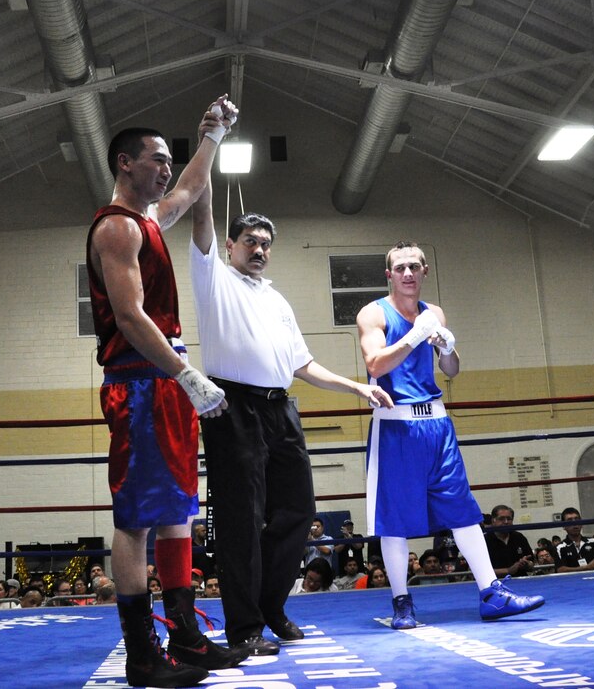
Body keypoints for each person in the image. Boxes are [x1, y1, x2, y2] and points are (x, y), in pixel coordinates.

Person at [190, 192, 395, 656]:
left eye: (265, 243)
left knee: (299, 512)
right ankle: (243, 627)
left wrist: (357, 387)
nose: (258, 249)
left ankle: (270, 607)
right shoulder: (214, 279)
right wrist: (209, 148)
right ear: (230, 245)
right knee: (241, 521)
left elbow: (303, 364)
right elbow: (200, 222)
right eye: (249, 241)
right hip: (233, 408)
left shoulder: (278, 299)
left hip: (281, 409)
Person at [87, 97, 246, 686]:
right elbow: (129, 317)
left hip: (167, 377)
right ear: (125, 163)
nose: (164, 169)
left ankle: (186, 637)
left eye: (167, 160)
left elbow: (188, 188)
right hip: (141, 382)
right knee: (135, 520)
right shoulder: (117, 227)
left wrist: (213, 135)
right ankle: (141, 655)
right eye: (155, 159)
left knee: (178, 510)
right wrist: (186, 375)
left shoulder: (150, 221)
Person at [356, 241, 544, 630]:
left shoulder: (434, 312)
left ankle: (491, 593)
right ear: (389, 275)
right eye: (400, 268)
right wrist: (411, 338)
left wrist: (448, 348)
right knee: (395, 520)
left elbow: (452, 370)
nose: (408, 273)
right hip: (396, 425)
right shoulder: (373, 313)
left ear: (425, 271)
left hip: (438, 424)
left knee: (462, 510)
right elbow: (374, 363)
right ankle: (402, 603)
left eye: (414, 266)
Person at [485, 504, 536, 579]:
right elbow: (481, 571)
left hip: (521, 582)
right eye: (501, 519)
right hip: (495, 584)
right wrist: (508, 571)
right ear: (493, 520)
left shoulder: (519, 537)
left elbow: (531, 563)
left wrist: (526, 564)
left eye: (509, 519)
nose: (506, 522)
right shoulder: (484, 541)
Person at [555, 507, 594, 572]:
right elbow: (560, 570)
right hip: (573, 581)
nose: (575, 524)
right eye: (569, 521)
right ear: (563, 526)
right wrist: (588, 567)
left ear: (581, 523)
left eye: (577, 519)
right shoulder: (560, 547)